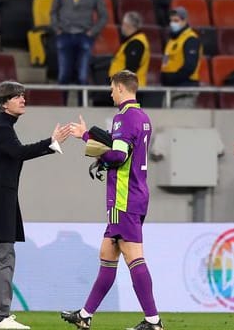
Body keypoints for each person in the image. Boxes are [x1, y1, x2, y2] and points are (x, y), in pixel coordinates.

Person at [0, 81, 71, 329]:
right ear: (3, 103)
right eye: (16, 96)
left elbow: (15, 153)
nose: (23, 99)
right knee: (2, 258)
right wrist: (51, 142)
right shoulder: (0, 128)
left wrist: (51, 144)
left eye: (23, 96)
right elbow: (19, 152)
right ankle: (1, 317)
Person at [61, 70, 164, 330]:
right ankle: (85, 316)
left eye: (111, 88)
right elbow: (124, 150)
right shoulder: (143, 117)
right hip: (137, 194)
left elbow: (118, 157)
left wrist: (86, 139)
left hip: (123, 198)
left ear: (120, 88)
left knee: (134, 256)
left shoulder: (123, 118)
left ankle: (153, 321)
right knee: (107, 253)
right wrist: (92, 137)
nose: (110, 93)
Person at [50, 0, 108, 87]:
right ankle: (63, 105)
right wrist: (57, 29)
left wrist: (92, 32)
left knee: (82, 77)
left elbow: (103, 16)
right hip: (64, 35)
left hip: (84, 36)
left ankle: (83, 105)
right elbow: (53, 11)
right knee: (63, 76)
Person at [160, 6, 203, 108]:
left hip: (184, 91)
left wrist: (172, 78)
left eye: (176, 20)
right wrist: (164, 76)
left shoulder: (191, 39)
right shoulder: (171, 41)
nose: (172, 24)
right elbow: (166, 62)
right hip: (169, 90)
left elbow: (189, 67)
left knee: (181, 122)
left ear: (184, 21)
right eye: (171, 21)